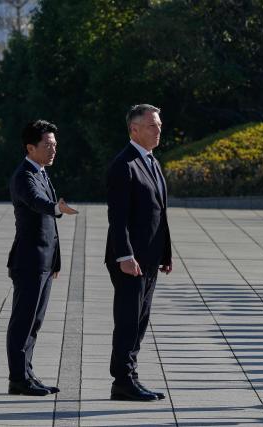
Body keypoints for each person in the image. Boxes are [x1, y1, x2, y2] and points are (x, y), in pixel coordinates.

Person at [105, 104, 172, 401]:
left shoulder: (152, 162)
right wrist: (125, 256)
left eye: (158, 125)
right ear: (134, 129)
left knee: (141, 320)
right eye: (151, 126)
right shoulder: (124, 164)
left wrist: (165, 253)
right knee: (129, 320)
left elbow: (160, 212)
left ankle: (130, 375)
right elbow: (117, 218)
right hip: (129, 259)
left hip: (149, 258)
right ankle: (122, 381)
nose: (158, 131)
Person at [6, 120, 78, 396]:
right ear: (30, 147)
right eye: (47, 145)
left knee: (35, 322)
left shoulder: (41, 172)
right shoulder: (24, 176)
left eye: (54, 145)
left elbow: (48, 227)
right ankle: (18, 379)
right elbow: (38, 203)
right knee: (23, 321)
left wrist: (55, 262)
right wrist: (57, 208)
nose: (53, 150)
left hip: (44, 262)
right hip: (28, 261)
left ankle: (27, 373)